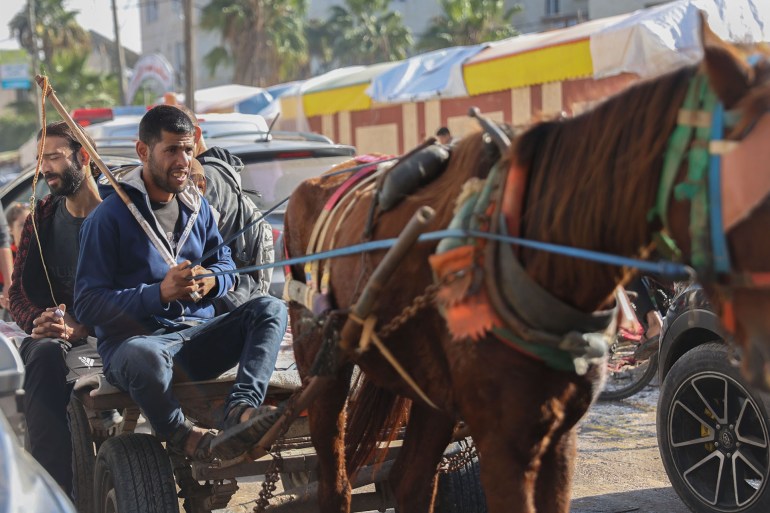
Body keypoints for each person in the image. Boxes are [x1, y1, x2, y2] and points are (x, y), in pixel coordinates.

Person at [74, 105, 287, 461]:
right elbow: (87, 304)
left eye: (188, 150)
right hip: (136, 347)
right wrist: (157, 294)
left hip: (196, 339)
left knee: (271, 308)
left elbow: (224, 263)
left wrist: (211, 282)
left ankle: (240, 410)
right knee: (145, 355)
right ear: (143, 151)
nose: (183, 160)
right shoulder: (108, 217)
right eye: (171, 150)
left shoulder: (197, 207)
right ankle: (180, 434)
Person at [7, 121, 102, 495]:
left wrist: (84, 328)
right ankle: (54, 495)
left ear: (85, 158)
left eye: (54, 157)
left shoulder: (119, 216)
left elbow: (138, 290)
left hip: (108, 331)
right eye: (40, 159)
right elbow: (16, 295)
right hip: (53, 336)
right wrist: (40, 320)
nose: (44, 168)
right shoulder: (40, 218)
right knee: (43, 356)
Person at [176, 104, 274, 313]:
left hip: (218, 301)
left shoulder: (205, 179)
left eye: (179, 146)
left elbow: (194, 250)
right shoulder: (222, 173)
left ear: (196, 135)